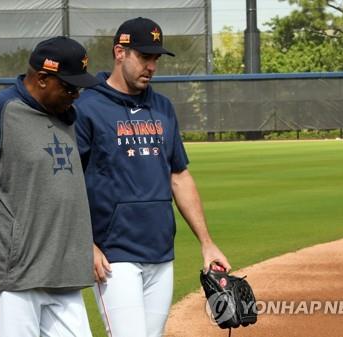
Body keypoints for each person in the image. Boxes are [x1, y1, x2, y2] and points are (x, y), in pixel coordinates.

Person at [74, 17, 232, 337]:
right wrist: (84, 243)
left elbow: (179, 176)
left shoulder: (162, 107)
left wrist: (207, 243)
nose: (152, 66)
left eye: (156, 58)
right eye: (144, 57)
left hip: (160, 251)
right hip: (114, 254)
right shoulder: (87, 107)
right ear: (120, 52)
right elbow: (67, 181)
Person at [0, 36, 100, 337]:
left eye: (79, 87)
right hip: (10, 284)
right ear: (41, 78)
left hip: (65, 277)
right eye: (69, 87)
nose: (76, 95)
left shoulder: (68, 118)